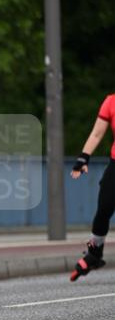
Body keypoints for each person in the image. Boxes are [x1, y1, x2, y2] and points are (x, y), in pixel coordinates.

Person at [69, 93, 115, 281]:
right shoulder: (111, 101)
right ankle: (95, 254)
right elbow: (97, 133)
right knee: (104, 206)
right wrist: (83, 157)